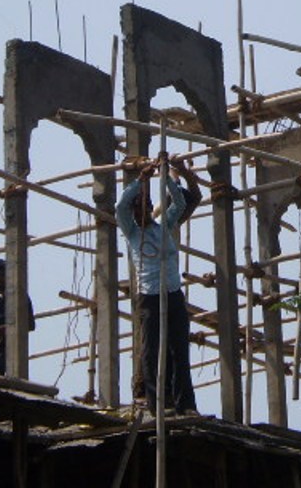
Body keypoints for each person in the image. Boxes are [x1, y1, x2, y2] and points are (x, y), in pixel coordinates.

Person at [116, 159, 198, 417]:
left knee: (179, 349)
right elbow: (120, 206)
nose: (140, 212)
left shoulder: (163, 227)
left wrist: (168, 177)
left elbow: (181, 204)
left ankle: (184, 404)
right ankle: (158, 404)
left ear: (150, 209)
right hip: (149, 296)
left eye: (144, 207)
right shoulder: (132, 233)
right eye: (137, 208)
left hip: (172, 293)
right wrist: (141, 179)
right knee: (151, 352)